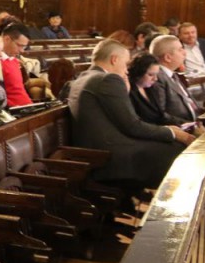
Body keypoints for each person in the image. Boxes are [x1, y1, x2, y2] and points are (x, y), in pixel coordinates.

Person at [66, 39, 191, 189]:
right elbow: (132, 126)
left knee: (170, 143)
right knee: (177, 148)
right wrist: (172, 133)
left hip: (93, 150)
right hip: (109, 156)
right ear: (114, 59)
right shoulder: (108, 79)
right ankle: (170, 201)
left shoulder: (82, 77)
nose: (126, 70)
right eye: (125, 64)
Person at [149, 34, 205, 129]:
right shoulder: (157, 78)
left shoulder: (172, 74)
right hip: (182, 129)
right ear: (168, 58)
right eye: (180, 49)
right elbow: (161, 114)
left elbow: (189, 102)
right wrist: (192, 126)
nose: (184, 53)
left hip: (196, 123)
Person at [127, 52, 181, 127]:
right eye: (151, 75)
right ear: (138, 72)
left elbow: (161, 115)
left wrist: (183, 124)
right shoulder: (129, 92)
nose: (155, 79)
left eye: (156, 75)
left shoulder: (152, 89)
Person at [0, 26, 34, 108]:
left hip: (28, 107)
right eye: (19, 45)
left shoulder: (14, 60)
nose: (22, 50)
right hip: (15, 111)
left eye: (24, 47)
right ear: (7, 39)